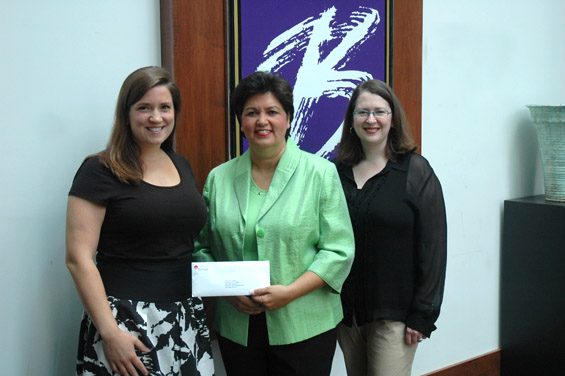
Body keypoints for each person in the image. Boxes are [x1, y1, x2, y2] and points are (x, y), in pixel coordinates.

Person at [193, 71, 355, 376]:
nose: (262, 121)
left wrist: (290, 291)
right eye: (252, 113)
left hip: (305, 323)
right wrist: (227, 292)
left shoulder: (320, 173)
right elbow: (201, 248)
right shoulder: (219, 177)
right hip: (237, 323)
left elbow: (338, 250)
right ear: (241, 121)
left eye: (272, 112)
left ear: (289, 119)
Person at [65, 66, 214, 376]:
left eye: (164, 107)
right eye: (144, 107)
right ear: (126, 113)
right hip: (125, 320)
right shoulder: (99, 169)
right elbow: (78, 259)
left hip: (184, 314)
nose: (156, 117)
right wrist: (109, 333)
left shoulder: (181, 164)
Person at [334, 79, 447, 376]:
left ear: (392, 119)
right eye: (362, 113)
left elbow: (433, 246)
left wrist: (424, 314)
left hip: (395, 315)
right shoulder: (336, 173)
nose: (371, 120)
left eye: (380, 112)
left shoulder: (416, 171)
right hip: (347, 314)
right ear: (352, 121)